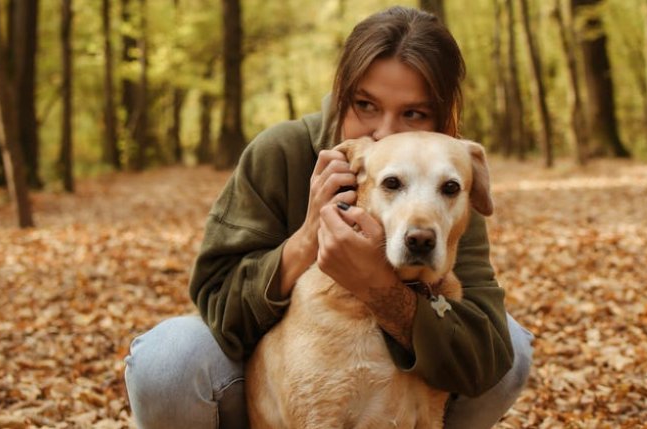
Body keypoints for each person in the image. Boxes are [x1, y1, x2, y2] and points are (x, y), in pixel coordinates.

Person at [124, 6, 534, 429]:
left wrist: (380, 289)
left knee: (510, 346)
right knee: (169, 358)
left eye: (413, 113)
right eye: (365, 105)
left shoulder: (445, 185)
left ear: (443, 117)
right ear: (341, 93)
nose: (386, 133)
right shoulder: (281, 151)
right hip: (258, 389)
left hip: (404, 395)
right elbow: (218, 306)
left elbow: (484, 358)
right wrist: (307, 240)